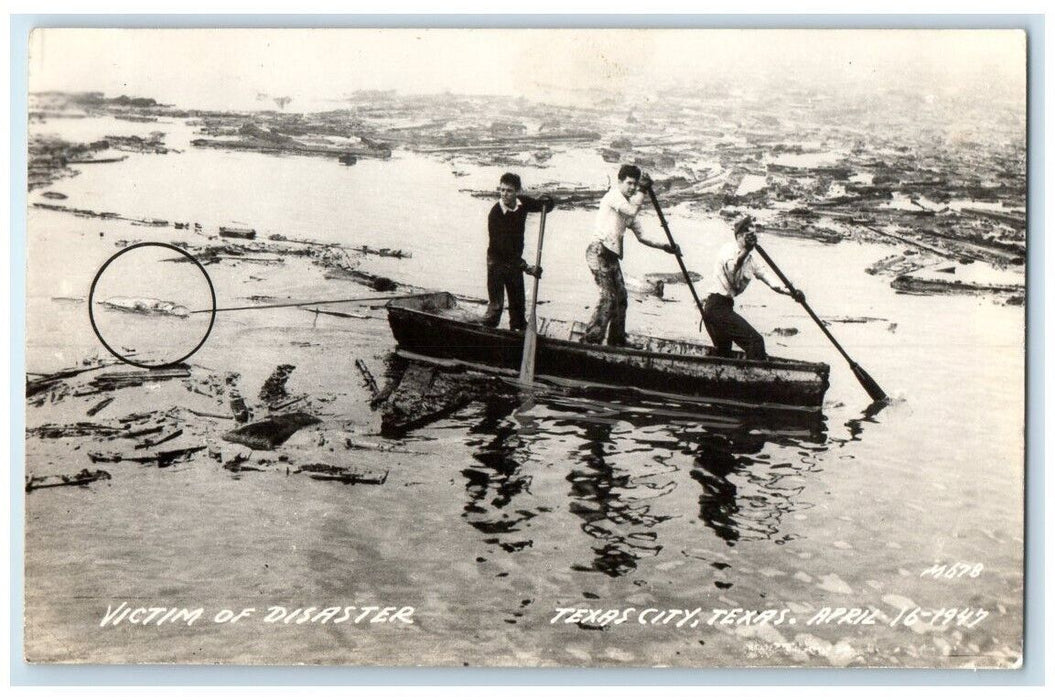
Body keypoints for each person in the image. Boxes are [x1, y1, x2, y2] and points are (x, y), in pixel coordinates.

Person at [582, 165, 679, 345]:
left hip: (611, 256)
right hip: (597, 251)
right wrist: (643, 189)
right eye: (629, 183)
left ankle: (617, 340)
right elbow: (632, 210)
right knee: (608, 298)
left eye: (635, 184)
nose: (632, 188)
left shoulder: (628, 206)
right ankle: (591, 339)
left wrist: (665, 246)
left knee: (621, 299)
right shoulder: (613, 197)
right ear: (619, 182)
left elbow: (643, 237)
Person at [702, 216, 805, 360]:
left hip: (725, 307)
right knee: (755, 342)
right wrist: (746, 251)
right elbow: (733, 268)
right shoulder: (728, 250)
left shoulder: (751, 260)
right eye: (748, 236)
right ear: (739, 236)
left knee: (724, 355)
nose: (752, 240)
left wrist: (792, 292)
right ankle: (756, 377)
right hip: (715, 308)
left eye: (754, 236)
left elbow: (768, 278)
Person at [480, 172, 555, 331]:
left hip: (514, 260)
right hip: (497, 262)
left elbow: (544, 207)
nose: (505, 194)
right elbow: (503, 249)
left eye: (509, 191)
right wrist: (527, 267)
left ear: (518, 191)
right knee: (496, 307)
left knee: (518, 306)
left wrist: (548, 202)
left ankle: (518, 332)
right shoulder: (495, 214)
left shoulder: (523, 203)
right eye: (502, 190)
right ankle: (485, 334)